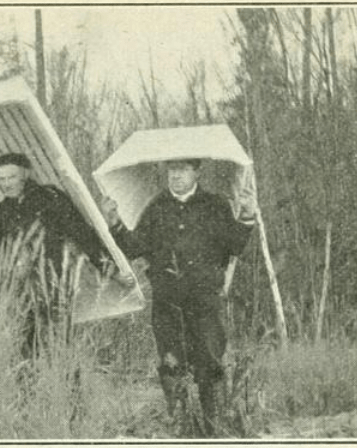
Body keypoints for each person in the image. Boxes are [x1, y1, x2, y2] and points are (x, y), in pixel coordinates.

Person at [103, 158, 257, 436]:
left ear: (197, 172)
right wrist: (114, 221)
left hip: (205, 301)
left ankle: (215, 430)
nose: (176, 175)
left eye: (183, 170)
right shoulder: (156, 207)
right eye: (171, 170)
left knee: (210, 363)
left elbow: (236, 244)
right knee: (172, 364)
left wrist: (247, 215)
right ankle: (181, 429)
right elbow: (134, 247)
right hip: (167, 303)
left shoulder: (215, 205)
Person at [0, 153, 113, 365]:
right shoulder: (5, 209)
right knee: (23, 351)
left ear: (25, 174)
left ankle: (69, 397)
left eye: (11, 177)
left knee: (58, 348)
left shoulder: (50, 197)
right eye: (1, 180)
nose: (6, 184)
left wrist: (107, 266)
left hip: (52, 288)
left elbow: (82, 233)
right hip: (20, 292)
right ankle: (28, 398)